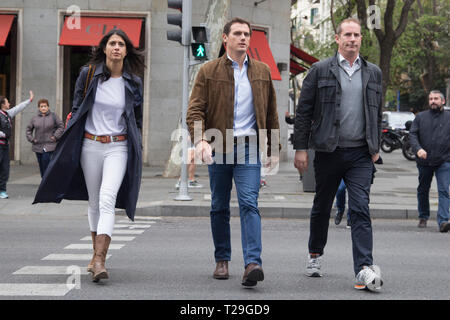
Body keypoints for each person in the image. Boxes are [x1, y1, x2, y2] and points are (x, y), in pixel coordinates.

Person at [33, 29, 144, 282]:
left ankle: (99, 260)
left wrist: (137, 145)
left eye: (121, 44)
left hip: (118, 146)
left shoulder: (133, 82)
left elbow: (136, 118)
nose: (116, 47)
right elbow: (76, 108)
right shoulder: (89, 74)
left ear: (126, 51)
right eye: (112, 43)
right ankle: (95, 255)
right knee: (94, 201)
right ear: (104, 49)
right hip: (90, 145)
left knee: (107, 199)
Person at [187, 17, 280, 287]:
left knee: (249, 202)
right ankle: (222, 259)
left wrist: (274, 148)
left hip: (249, 147)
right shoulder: (208, 71)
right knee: (219, 206)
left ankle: (253, 263)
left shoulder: (262, 71)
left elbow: (272, 113)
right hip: (219, 146)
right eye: (237, 33)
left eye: (246, 34)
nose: (243, 38)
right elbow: (194, 111)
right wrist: (200, 140)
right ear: (225, 38)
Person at [293, 18, 383, 292]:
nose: (352, 39)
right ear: (337, 39)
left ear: (360, 40)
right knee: (322, 206)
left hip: (360, 154)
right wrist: (300, 149)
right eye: (347, 35)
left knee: (360, 208)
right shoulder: (320, 70)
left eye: (356, 35)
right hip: (328, 151)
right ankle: (315, 255)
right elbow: (304, 112)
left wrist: (375, 147)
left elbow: (376, 112)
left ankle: (364, 268)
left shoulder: (373, 72)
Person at [409, 90, 450, 232]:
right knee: (423, 189)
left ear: (443, 101)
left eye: (436, 99)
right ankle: (423, 216)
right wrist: (418, 149)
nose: (433, 101)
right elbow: (413, 135)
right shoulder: (420, 117)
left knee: (444, 190)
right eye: (431, 99)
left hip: (444, 160)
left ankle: (443, 221)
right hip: (424, 161)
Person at [0, 91, 34, 199]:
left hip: (5, 146)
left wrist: (29, 100)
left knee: (5, 169)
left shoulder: (8, 114)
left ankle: (2, 190)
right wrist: (3, 134)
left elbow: (19, 108)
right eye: (7, 102)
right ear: (2, 104)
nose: (9, 103)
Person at [26, 99, 64, 177]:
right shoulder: (34, 118)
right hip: (38, 145)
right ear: (39, 108)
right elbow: (28, 129)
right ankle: (44, 180)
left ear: (48, 107)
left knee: (46, 161)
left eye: (45, 106)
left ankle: (46, 181)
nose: (43, 108)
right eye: (41, 106)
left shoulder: (54, 116)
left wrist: (55, 136)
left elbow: (61, 126)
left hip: (50, 145)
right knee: (41, 165)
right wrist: (32, 139)